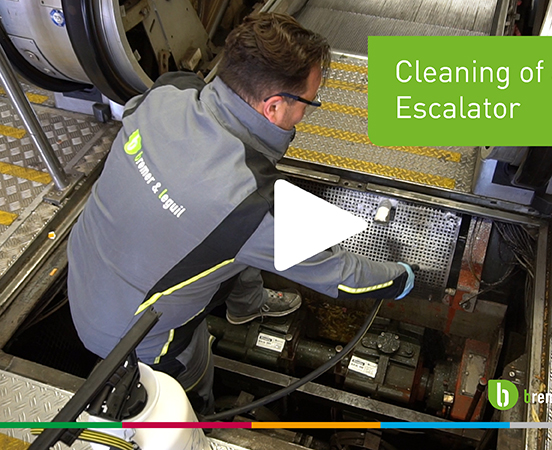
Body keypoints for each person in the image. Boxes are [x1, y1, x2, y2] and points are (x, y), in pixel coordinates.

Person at [66, 12, 415, 415]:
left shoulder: (168, 92)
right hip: (133, 339)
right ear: (273, 107)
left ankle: (245, 306)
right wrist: (400, 279)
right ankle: (206, 414)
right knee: (190, 380)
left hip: (86, 277)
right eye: (309, 102)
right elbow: (347, 280)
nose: (307, 113)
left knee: (227, 244)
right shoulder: (248, 205)